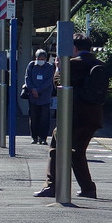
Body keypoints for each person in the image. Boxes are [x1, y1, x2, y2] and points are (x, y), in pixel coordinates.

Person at [35, 34, 105, 199]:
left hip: (74, 116)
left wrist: (59, 68)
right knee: (77, 152)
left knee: (55, 146)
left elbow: (59, 84)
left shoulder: (74, 64)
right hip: (94, 117)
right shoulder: (99, 64)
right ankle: (88, 188)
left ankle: (51, 186)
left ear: (74, 48)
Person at [23, 49, 55, 144]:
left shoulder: (49, 67)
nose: (40, 60)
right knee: (33, 117)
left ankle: (43, 138)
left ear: (45, 58)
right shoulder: (31, 65)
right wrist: (32, 89)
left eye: (42, 58)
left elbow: (49, 81)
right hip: (33, 97)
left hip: (44, 97)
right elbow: (27, 78)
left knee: (44, 118)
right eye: (38, 58)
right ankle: (34, 137)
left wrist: (38, 90)